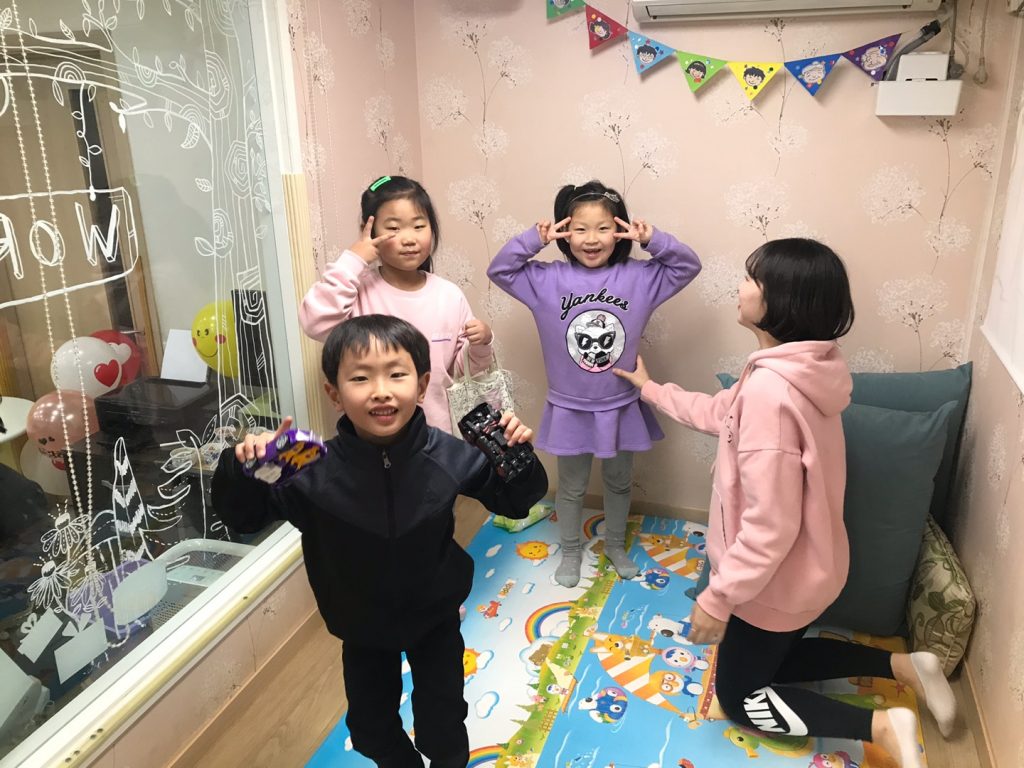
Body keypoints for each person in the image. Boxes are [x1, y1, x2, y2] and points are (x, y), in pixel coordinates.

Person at [612, 238, 956, 768]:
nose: (741, 286)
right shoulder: (801, 368)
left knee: (739, 697)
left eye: (752, 279)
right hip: (809, 569)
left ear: (782, 301)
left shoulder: (770, 394)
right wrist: (650, 388)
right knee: (779, 655)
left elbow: (770, 525)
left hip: (774, 580)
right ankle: (908, 667)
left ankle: (882, 726)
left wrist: (718, 598)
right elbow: (719, 413)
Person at [211, 315, 547, 768]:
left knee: (444, 727)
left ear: (422, 384)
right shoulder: (304, 461)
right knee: (369, 731)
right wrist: (241, 467)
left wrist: (518, 456)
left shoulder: (446, 453)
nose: (381, 391)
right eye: (360, 378)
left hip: (435, 619)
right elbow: (244, 517)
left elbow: (516, 502)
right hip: (361, 626)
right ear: (334, 392)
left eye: (396, 374)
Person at [487, 180, 701, 588]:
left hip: (621, 403)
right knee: (571, 487)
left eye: (603, 228)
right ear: (565, 233)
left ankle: (615, 545)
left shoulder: (639, 277)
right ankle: (570, 550)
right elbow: (500, 270)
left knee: (619, 482)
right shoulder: (545, 280)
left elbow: (687, 266)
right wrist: (534, 239)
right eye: (579, 228)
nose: (591, 239)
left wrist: (652, 240)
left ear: (619, 231)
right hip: (570, 406)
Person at [299, 175, 493, 434]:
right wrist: (354, 259)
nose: (409, 238)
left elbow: (460, 371)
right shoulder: (357, 290)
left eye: (419, 226)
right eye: (393, 228)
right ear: (369, 231)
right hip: (369, 439)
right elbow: (314, 322)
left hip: (434, 436)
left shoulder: (449, 295)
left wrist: (481, 343)